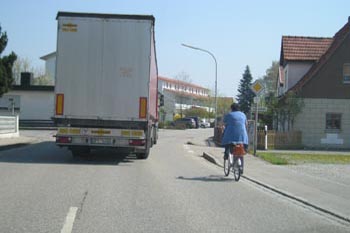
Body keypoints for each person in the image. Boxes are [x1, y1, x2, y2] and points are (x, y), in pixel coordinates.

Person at [221, 103, 248, 173]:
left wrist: (223, 128)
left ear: (231, 108)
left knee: (227, 143)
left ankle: (226, 154)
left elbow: (223, 124)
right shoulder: (243, 115)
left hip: (231, 135)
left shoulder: (229, 115)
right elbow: (246, 124)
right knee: (241, 151)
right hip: (242, 136)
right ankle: (241, 167)